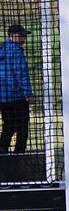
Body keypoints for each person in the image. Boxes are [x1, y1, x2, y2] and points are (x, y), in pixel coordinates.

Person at [0, 24, 34, 154]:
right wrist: (28, 93)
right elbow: (21, 74)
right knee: (22, 127)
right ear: (15, 36)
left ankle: (2, 150)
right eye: (23, 35)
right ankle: (19, 153)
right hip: (16, 96)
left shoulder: (2, 48)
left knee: (8, 124)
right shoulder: (16, 52)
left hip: (3, 97)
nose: (24, 38)